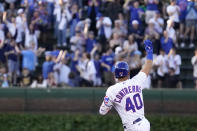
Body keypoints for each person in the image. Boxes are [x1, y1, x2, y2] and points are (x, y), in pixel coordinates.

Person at [99, 40, 153, 131]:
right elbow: (148, 66)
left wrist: (107, 103)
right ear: (128, 73)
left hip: (132, 127)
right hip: (143, 123)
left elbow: (102, 111)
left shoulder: (112, 90)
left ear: (115, 74)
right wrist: (150, 52)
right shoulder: (137, 81)